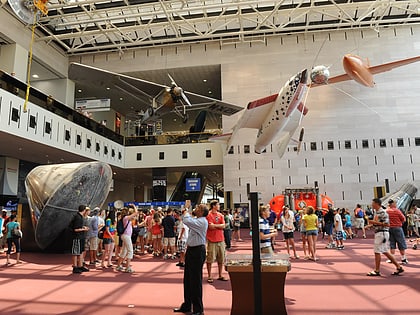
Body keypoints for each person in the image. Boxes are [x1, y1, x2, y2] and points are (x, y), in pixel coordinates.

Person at [173, 204, 209, 315]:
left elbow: (187, 221)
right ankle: (187, 305)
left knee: (196, 280)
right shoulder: (197, 220)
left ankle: (198, 309)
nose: (195, 209)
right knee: (188, 279)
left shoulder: (202, 221)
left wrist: (186, 211)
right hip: (192, 250)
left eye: (198, 208)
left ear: (202, 212)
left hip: (198, 251)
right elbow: (187, 220)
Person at [366, 198, 404, 276]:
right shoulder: (377, 212)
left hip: (381, 233)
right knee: (384, 251)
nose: (372, 204)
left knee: (377, 251)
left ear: (377, 204)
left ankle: (377, 270)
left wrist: (373, 222)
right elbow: (379, 223)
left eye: (373, 203)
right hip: (381, 233)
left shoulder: (383, 212)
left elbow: (387, 224)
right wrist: (371, 225)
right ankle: (398, 266)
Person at [206, 200, 228, 283]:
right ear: (213, 206)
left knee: (221, 258)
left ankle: (220, 274)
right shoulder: (208, 215)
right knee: (210, 259)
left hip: (221, 240)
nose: (219, 206)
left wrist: (215, 226)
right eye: (218, 204)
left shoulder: (221, 215)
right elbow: (210, 227)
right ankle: (209, 275)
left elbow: (223, 226)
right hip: (212, 240)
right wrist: (219, 226)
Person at [116, 204, 138, 273]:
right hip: (126, 236)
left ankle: (119, 265)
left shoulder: (124, 219)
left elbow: (135, 215)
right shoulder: (126, 218)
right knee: (130, 251)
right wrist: (134, 206)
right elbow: (136, 213)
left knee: (124, 251)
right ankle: (127, 267)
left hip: (124, 235)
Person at [386, 199, 408, 264]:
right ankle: (403, 259)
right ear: (392, 204)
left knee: (391, 244)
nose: (396, 204)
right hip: (398, 228)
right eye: (395, 203)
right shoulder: (397, 211)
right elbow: (404, 219)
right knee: (401, 243)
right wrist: (400, 223)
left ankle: (392, 259)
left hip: (389, 228)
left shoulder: (386, 211)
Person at [69, 205, 89, 274]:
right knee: (76, 252)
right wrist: (84, 229)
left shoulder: (80, 217)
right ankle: (75, 266)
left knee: (80, 252)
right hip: (77, 237)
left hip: (81, 237)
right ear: (84, 210)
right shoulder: (77, 217)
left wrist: (83, 227)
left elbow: (78, 227)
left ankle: (80, 265)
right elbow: (76, 229)